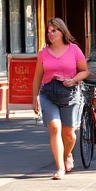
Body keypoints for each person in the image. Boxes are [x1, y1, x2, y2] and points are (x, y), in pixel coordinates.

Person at [32, 18, 89, 180]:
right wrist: (34, 97)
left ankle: (68, 154)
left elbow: (85, 71)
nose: (50, 34)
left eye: (54, 30)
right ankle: (60, 167)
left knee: (69, 133)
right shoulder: (43, 53)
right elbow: (37, 77)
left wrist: (74, 79)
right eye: (48, 31)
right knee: (55, 128)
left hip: (70, 93)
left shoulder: (74, 49)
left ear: (62, 31)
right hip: (48, 93)